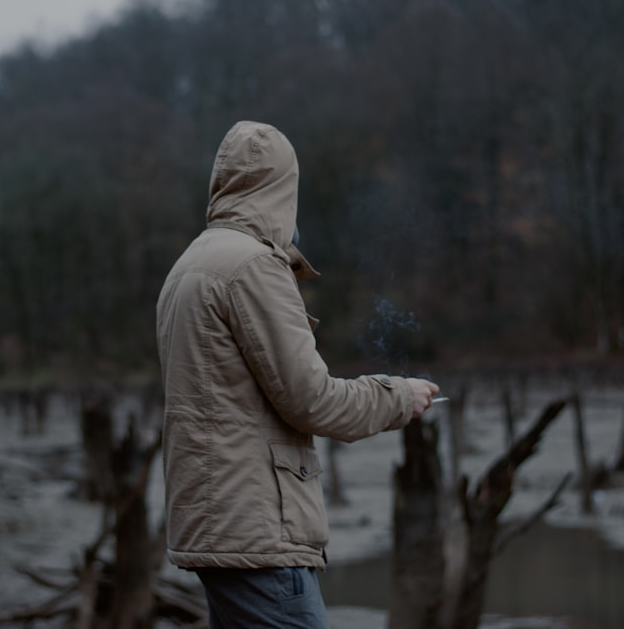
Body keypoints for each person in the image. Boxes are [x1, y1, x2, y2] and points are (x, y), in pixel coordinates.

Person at [156, 120, 439, 628]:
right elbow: (314, 400)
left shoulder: (189, 265)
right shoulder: (253, 266)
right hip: (257, 530)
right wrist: (399, 396)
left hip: (215, 526)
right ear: (284, 188)